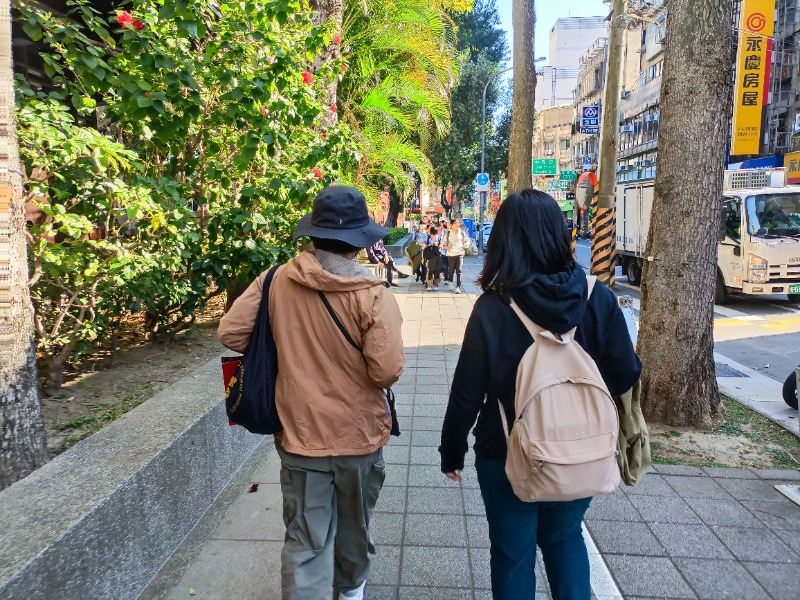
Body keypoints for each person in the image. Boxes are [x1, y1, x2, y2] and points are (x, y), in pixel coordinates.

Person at [439, 189, 641, 599]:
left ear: (503, 241)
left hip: (505, 451)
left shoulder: (493, 309)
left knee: (512, 554)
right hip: (581, 452)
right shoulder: (596, 297)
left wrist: (451, 451)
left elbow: (467, 391)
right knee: (566, 539)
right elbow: (624, 374)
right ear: (558, 235)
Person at [218, 186, 405, 600]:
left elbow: (230, 332)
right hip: (358, 437)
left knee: (305, 535)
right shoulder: (372, 295)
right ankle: (351, 590)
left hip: (300, 433)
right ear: (358, 241)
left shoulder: (274, 281)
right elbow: (386, 372)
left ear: (313, 233)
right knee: (354, 526)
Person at [442, 218, 467, 293]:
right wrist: (446, 247)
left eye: (458, 223)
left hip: (460, 254)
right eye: (456, 223)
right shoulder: (448, 234)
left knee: (459, 271)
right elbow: (443, 243)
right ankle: (450, 282)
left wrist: (465, 245)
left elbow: (467, 240)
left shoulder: (462, 233)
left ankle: (458, 287)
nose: (458, 224)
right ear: (452, 225)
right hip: (451, 254)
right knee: (451, 271)